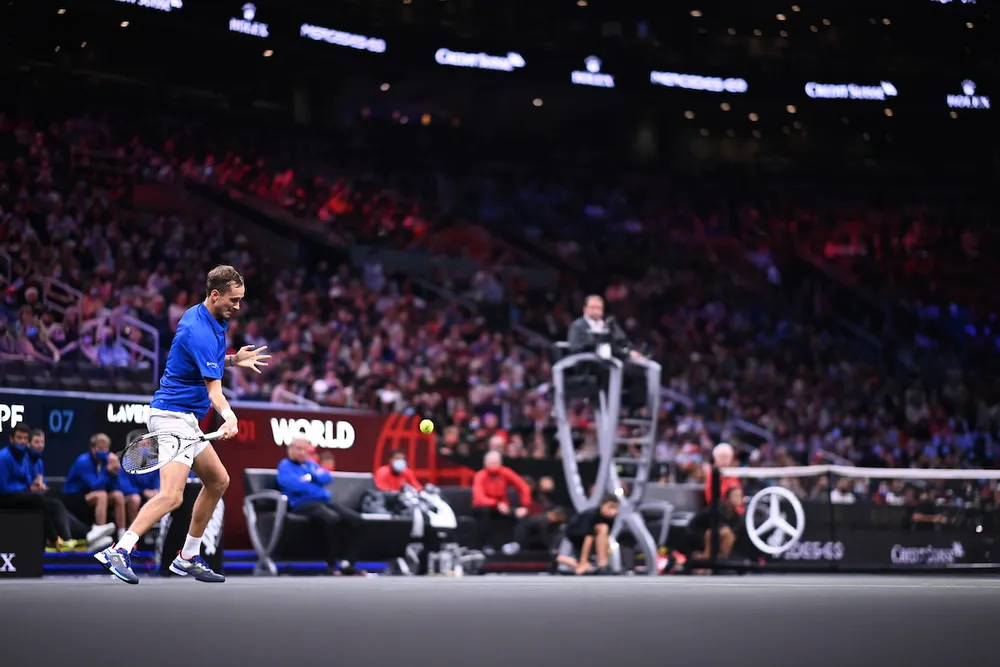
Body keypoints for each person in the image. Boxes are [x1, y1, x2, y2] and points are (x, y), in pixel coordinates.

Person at [96, 265, 270, 585]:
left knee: (218, 480)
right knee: (172, 496)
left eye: (241, 299)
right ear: (215, 295)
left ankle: (187, 556)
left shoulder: (212, 318)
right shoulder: (198, 329)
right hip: (171, 416)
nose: (238, 306)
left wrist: (233, 359)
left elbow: (208, 361)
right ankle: (118, 551)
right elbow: (214, 391)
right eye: (234, 299)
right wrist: (230, 416)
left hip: (186, 418)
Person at [276, 438, 364, 575]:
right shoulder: (285, 466)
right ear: (290, 449)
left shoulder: (310, 465)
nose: (301, 452)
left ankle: (348, 563)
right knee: (332, 519)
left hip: (324, 501)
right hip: (302, 504)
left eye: (304, 449)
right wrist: (315, 484)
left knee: (356, 520)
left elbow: (327, 477)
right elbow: (293, 486)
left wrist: (311, 477)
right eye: (298, 448)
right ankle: (331, 564)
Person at [63, 433, 124, 541]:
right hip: (74, 497)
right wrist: (108, 471)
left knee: (118, 496)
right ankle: (101, 535)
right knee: (102, 495)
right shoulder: (83, 461)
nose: (103, 452)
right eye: (100, 449)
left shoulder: (106, 462)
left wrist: (115, 473)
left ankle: (122, 535)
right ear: (92, 448)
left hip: (92, 495)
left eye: (106, 449)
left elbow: (115, 487)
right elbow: (95, 485)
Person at [470, 451, 532, 554]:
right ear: (485, 463)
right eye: (491, 463)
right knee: (484, 511)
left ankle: (515, 544)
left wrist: (524, 505)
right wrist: (496, 504)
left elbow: (523, 486)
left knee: (521, 514)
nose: (494, 466)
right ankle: (487, 545)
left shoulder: (505, 472)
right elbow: (479, 498)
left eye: (496, 463)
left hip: (503, 507)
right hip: (485, 507)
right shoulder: (480, 476)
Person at [555, 494, 620, 575]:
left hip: (588, 540)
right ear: (602, 505)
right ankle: (589, 564)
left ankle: (601, 564)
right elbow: (588, 538)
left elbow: (605, 539)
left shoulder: (610, 519)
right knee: (558, 558)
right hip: (574, 538)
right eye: (611, 507)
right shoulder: (591, 515)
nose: (614, 511)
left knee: (603, 529)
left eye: (616, 508)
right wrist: (583, 561)